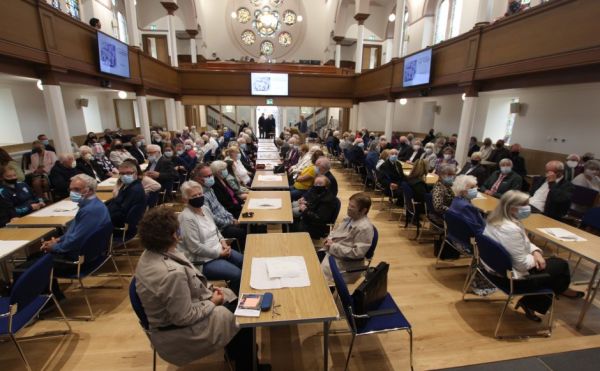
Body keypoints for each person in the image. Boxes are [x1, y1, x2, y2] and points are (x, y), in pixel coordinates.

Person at [134, 207, 264, 370]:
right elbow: (184, 317)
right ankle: (247, 365)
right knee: (246, 318)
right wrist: (213, 301)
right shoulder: (171, 274)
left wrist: (209, 291)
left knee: (236, 301)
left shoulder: (151, 253)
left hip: (177, 314)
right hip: (178, 331)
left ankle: (235, 352)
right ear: (173, 234)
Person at [484, 190, 582, 322]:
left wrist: (536, 252)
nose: (528, 208)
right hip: (510, 280)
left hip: (494, 271)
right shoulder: (510, 228)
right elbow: (522, 263)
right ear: (512, 208)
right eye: (525, 205)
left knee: (554, 267)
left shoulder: (496, 219)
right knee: (561, 267)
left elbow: (525, 242)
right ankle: (556, 292)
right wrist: (537, 258)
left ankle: (549, 295)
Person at [24, 174, 112, 299]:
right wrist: (59, 240)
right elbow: (74, 233)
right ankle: (54, 295)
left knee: (30, 265)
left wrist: (54, 247)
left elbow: (75, 240)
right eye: (70, 189)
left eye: (77, 190)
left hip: (77, 260)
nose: (72, 193)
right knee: (35, 257)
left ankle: (46, 301)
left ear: (90, 190)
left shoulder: (89, 211)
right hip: (89, 254)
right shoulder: (93, 204)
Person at [177, 181, 244, 294]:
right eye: (194, 196)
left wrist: (223, 243)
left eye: (200, 194)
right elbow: (195, 248)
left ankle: (237, 290)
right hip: (203, 261)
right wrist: (219, 254)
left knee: (245, 262)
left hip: (220, 249)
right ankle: (234, 302)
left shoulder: (205, 209)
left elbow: (216, 230)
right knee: (238, 274)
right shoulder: (186, 218)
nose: (198, 197)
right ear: (185, 199)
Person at [320, 193, 375, 283]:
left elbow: (357, 253)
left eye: (352, 207)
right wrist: (329, 239)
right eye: (349, 205)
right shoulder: (349, 217)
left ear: (363, 210)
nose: (348, 208)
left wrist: (333, 246)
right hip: (333, 252)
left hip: (345, 263)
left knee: (317, 278)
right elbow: (336, 231)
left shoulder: (365, 228)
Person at [191, 165, 247, 250]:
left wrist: (231, 218)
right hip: (220, 229)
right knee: (243, 232)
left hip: (227, 220)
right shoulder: (200, 195)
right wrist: (230, 222)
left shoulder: (210, 189)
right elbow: (211, 218)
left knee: (247, 224)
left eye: (211, 175)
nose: (211, 178)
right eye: (207, 176)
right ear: (198, 178)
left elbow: (221, 207)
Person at [107, 161, 145, 228]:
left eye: (128, 173)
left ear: (135, 173)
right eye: (122, 173)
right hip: (113, 214)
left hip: (118, 223)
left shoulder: (134, 190)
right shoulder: (127, 185)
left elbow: (122, 213)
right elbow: (117, 200)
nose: (125, 176)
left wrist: (104, 216)